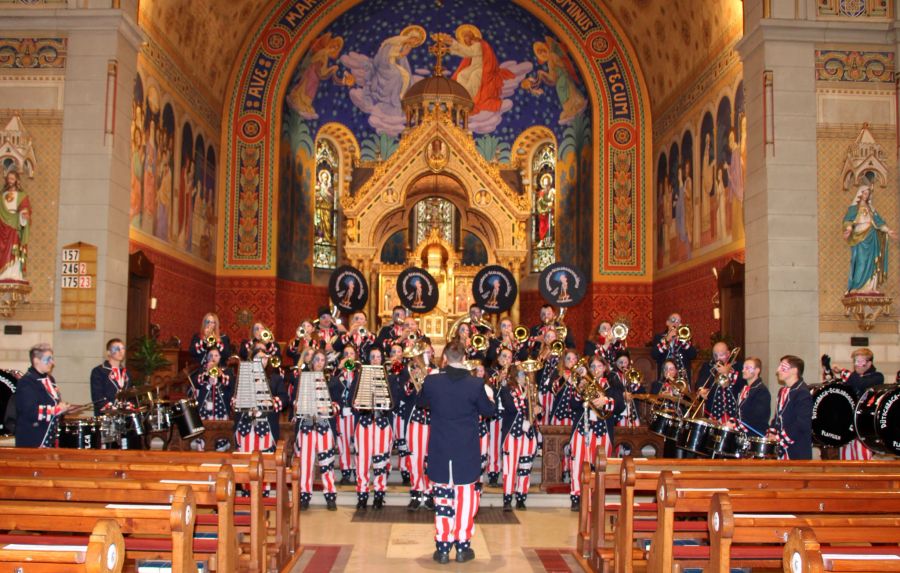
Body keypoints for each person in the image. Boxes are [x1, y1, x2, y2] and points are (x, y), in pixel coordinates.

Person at [419, 341, 495, 564]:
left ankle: (442, 547)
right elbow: (489, 411)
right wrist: (490, 395)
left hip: (440, 450)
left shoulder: (432, 381)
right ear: (464, 359)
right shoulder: (475, 383)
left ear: (444, 359)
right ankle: (462, 546)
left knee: (443, 499)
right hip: (466, 452)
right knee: (465, 500)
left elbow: (421, 402)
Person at [568, 356, 620, 510]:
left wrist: (606, 401)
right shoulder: (583, 383)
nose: (596, 369)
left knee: (599, 465)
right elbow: (573, 405)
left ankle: (596, 497)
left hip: (602, 430)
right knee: (578, 462)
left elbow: (620, 405)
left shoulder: (612, 385)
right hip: (582, 429)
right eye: (593, 366)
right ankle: (576, 497)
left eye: (599, 366)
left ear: (605, 368)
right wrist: (580, 390)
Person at [352, 347, 398, 510]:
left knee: (381, 461)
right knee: (362, 462)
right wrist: (358, 405)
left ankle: (379, 494)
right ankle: (362, 495)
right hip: (364, 424)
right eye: (373, 357)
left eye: (379, 357)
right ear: (369, 359)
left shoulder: (390, 378)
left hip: (382, 424)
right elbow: (352, 400)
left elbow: (396, 402)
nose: (376, 360)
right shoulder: (360, 376)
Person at [293, 350, 338, 511]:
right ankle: (304, 496)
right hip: (306, 427)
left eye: (322, 360)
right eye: (316, 360)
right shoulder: (303, 379)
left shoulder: (331, 381)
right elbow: (295, 402)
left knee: (327, 464)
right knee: (305, 464)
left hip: (324, 426)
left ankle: (330, 496)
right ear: (312, 362)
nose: (319, 362)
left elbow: (338, 404)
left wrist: (330, 407)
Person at [843, 182, 897, 294]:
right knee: (861, 262)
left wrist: (889, 231)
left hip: (871, 236)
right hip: (860, 239)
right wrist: (848, 229)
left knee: (872, 262)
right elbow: (848, 220)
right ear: (860, 194)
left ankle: (870, 287)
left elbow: (879, 222)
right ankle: (857, 287)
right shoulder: (854, 208)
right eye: (864, 193)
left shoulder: (871, 208)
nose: (866, 196)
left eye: (868, 194)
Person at [233, 347, 289, 454]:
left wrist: (271, 402)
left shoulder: (275, 378)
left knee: (266, 461)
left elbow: (285, 399)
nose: (262, 361)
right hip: (246, 427)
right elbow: (233, 401)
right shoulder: (243, 376)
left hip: (267, 426)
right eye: (258, 358)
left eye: (265, 358)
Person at [16, 344, 73, 447]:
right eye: (48, 359)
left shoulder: (50, 380)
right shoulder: (27, 382)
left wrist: (65, 410)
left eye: (52, 359)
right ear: (36, 360)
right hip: (33, 439)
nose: (52, 362)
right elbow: (30, 411)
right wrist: (56, 410)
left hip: (49, 436)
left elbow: (53, 405)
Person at [498, 365, 538, 512]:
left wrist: (537, 408)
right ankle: (507, 499)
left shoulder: (531, 389)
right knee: (510, 468)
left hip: (528, 434)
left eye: (525, 373)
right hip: (513, 434)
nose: (524, 376)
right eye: (522, 374)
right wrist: (525, 396)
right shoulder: (507, 390)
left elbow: (536, 407)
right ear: (515, 375)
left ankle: (521, 497)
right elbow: (511, 407)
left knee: (525, 467)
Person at [836, 348, 883, 460]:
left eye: (860, 362)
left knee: (863, 459)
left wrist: (843, 372)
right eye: (855, 361)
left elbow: (861, 384)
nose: (856, 365)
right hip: (848, 427)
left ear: (869, 363)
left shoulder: (877, 377)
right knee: (846, 460)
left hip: (863, 427)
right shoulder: (852, 378)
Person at [768, 355, 813, 460]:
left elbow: (801, 424)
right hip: (782, 448)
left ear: (794, 371)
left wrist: (779, 438)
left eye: (782, 367)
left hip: (796, 451)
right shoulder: (782, 391)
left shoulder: (802, 392)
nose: (778, 370)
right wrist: (772, 432)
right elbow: (777, 418)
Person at [329, 345, 359, 485]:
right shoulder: (337, 375)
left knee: (357, 444)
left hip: (355, 414)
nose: (348, 356)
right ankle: (346, 472)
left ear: (355, 357)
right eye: (346, 354)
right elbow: (329, 388)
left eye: (351, 354)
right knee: (343, 444)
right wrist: (339, 370)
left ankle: (357, 471)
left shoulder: (359, 374)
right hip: (342, 414)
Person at [695, 341, 739, 423]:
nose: (718, 358)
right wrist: (701, 390)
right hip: (713, 413)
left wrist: (726, 373)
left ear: (728, 354)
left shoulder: (738, 367)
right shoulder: (708, 366)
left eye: (721, 355)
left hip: (733, 414)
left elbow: (740, 387)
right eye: (715, 355)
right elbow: (700, 382)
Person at [650, 313, 697, 386]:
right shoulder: (659, 337)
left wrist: (683, 341)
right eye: (673, 320)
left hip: (682, 378)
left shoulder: (685, 337)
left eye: (678, 321)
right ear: (667, 322)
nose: (676, 323)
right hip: (665, 376)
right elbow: (654, 355)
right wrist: (667, 339)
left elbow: (693, 355)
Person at [0, 170, 30, 282]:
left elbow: (25, 209)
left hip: (15, 226)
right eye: (8, 178)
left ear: (17, 180)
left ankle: (14, 273)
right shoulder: (1, 196)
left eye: (12, 179)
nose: (10, 181)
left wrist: (24, 216)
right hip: (2, 226)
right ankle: (2, 274)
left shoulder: (22, 196)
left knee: (14, 248)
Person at [89, 338, 133, 415]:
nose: (120, 351)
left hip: (124, 417)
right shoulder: (99, 371)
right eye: (116, 349)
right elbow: (97, 397)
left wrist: (129, 406)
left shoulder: (127, 373)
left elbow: (130, 395)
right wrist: (112, 409)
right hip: (106, 417)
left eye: (123, 348)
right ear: (108, 352)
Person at [731, 356, 771, 438]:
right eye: (743, 368)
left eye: (747, 368)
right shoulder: (745, 388)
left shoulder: (761, 391)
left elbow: (757, 418)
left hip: (754, 436)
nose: (743, 370)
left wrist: (737, 425)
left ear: (757, 370)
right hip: (742, 434)